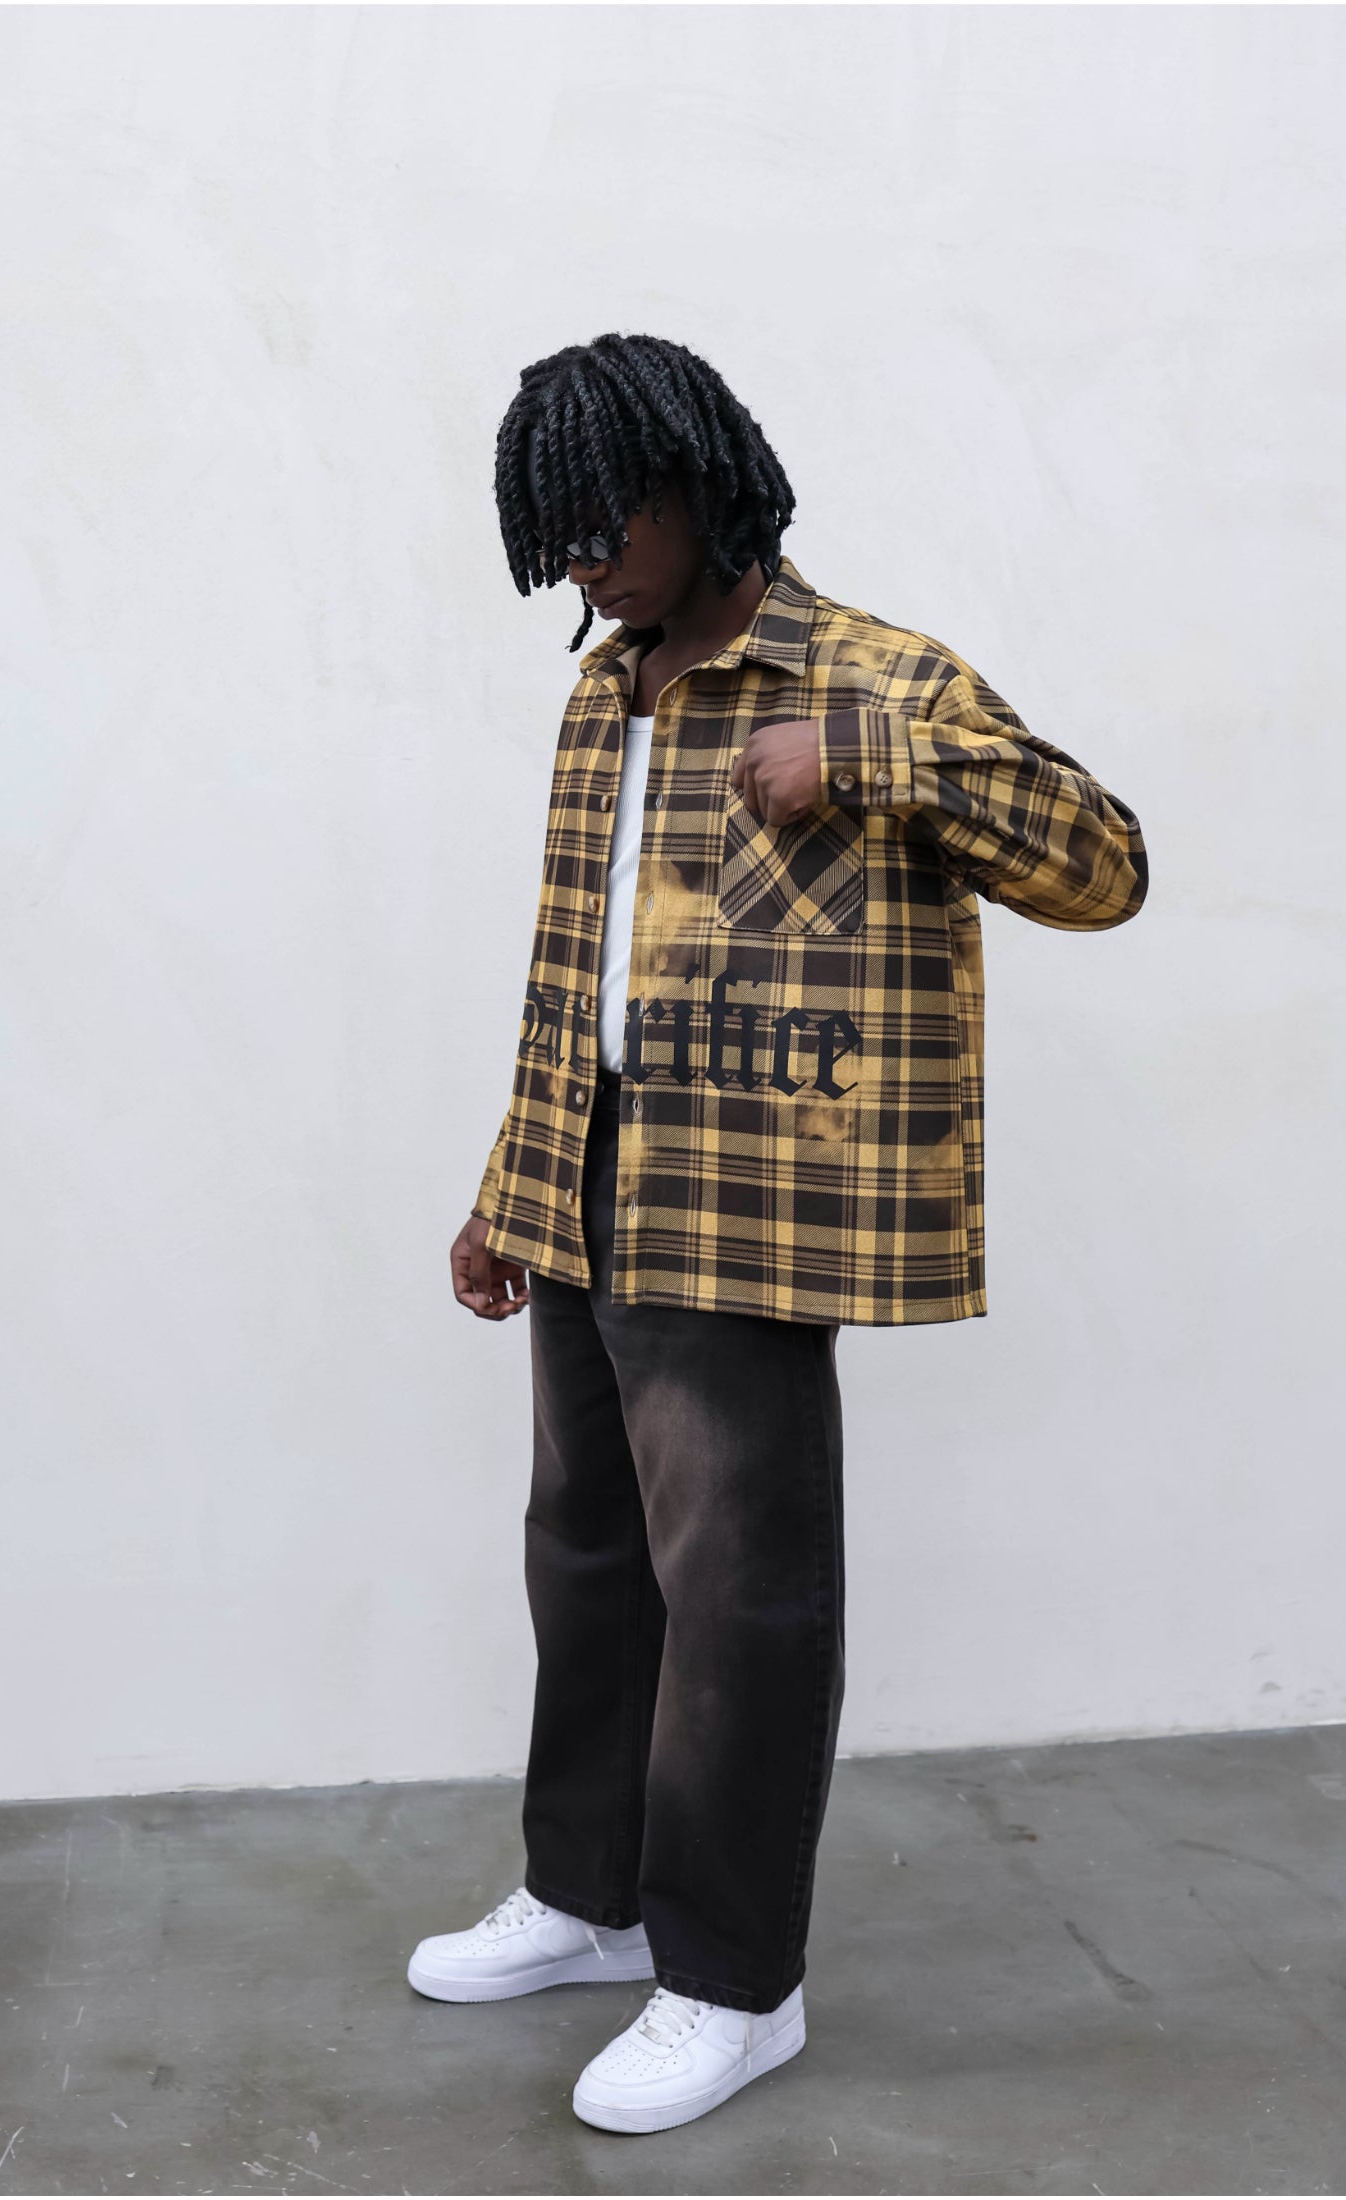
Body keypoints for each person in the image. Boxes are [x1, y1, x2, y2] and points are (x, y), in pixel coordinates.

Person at [412, 332, 1148, 2135]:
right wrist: (512, 1176)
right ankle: (590, 1898)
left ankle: (737, 1985)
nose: (581, 559)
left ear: (701, 483)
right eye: (555, 531)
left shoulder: (874, 675)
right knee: (585, 1560)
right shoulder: (607, 694)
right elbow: (577, 968)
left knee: (739, 1595)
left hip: (748, 1213)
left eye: (605, 519)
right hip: (588, 1184)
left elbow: (1106, 864)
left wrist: (875, 760)